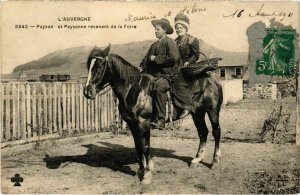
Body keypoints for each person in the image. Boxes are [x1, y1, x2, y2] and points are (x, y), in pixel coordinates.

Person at [140, 18, 181, 129]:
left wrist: (156, 59)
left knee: (159, 87)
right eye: (155, 29)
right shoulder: (153, 45)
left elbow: (174, 57)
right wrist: (141, 67)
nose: (155, 31)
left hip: (168, 76)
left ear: (165, 30)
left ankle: (161, 120)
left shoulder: (170, 42)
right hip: (154, 75)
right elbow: (146, 59)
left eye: (158, 29)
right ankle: (147, 118)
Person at [171, 13, 200, 118]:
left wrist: (189, 61)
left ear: (185, 28)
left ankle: (186, 106)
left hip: (188, 65)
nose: (178, 30)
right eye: (177, 28)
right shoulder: (174, 41)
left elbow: (196, 55)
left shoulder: (192, 40)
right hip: (177, 66)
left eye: (180, 27)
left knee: (178, 81)